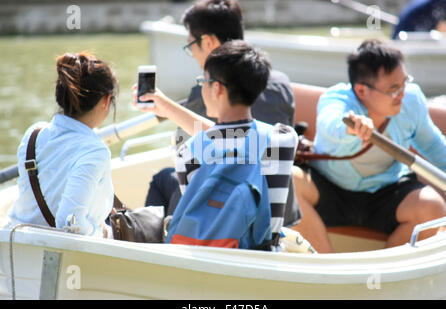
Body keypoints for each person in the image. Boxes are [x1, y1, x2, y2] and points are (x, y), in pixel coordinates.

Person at [143, 0, 301, 228]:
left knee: (162, 180)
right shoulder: (284, 122)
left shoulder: (190, 149)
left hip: (218, 231)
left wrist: (167, 108)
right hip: (273, 229)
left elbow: (208, 157)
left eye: (191, 46)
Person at [292, 39, 446, 253]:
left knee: (433, 205)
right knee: (288, 180)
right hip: (331, 190)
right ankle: (326, 267)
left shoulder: (411, 99)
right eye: (394, 89)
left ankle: (387, 276)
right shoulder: (335, 99)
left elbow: (434, 147)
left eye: (405, 83)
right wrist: (352, 127)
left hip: (387, 193)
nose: (402, 94)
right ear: (361, 90)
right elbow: (332, 124)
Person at [7, 52, 119, 237]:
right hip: (62, 257)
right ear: (106, 101)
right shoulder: (95, 151)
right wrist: (102, 232)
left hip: (14, 245)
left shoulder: (33, 134)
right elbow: (69, 223)